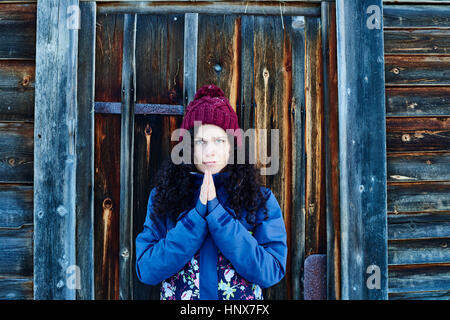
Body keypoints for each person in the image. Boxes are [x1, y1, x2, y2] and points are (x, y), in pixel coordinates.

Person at [135, 84, 287, 300]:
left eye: (219, 140)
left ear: (231, 147)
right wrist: (195, 218)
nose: (209, 151)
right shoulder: (163, 197)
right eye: (201, 141)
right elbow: (146, 270)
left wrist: (219, 216)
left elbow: (271, 270)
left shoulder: (259, 199)